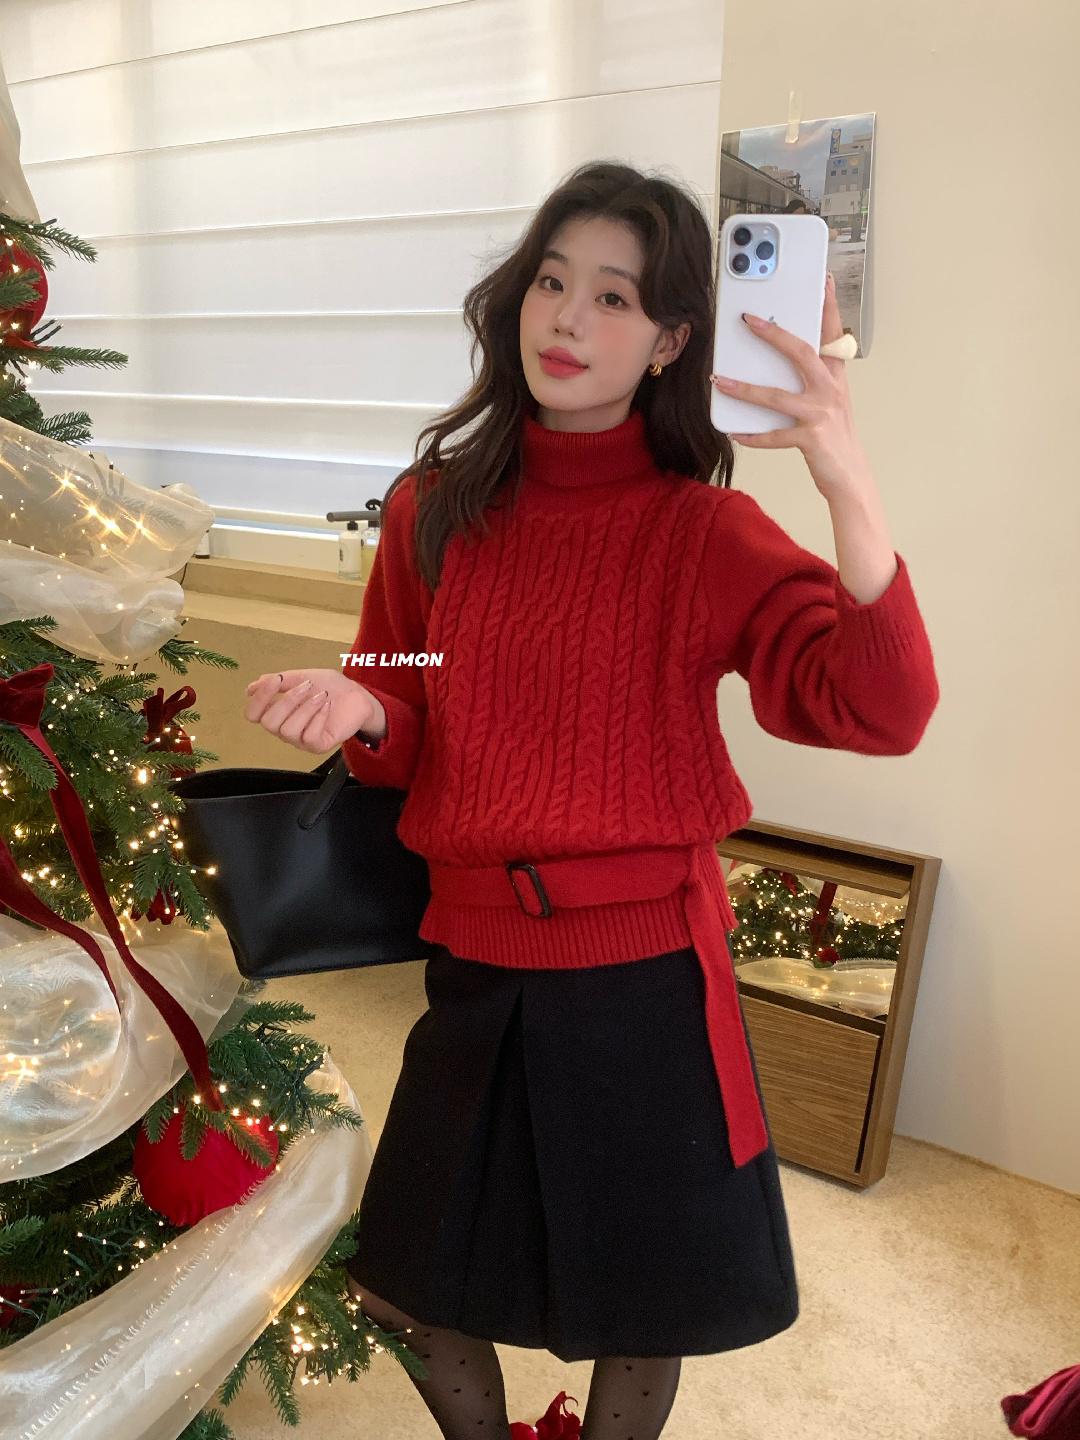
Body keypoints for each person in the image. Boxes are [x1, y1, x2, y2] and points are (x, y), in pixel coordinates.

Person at [243, 160, 939, 1440]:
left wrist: (843, 472)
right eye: (552, 282)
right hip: (475, 962)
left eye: (615, 297)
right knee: (406, 1286)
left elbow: (881, 708)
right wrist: (367, 707)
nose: (567, 319)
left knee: (641, 1305)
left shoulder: (701, 534)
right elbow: (410, 678)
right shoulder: (433, 511)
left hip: (646, 978)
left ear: (672, 340)